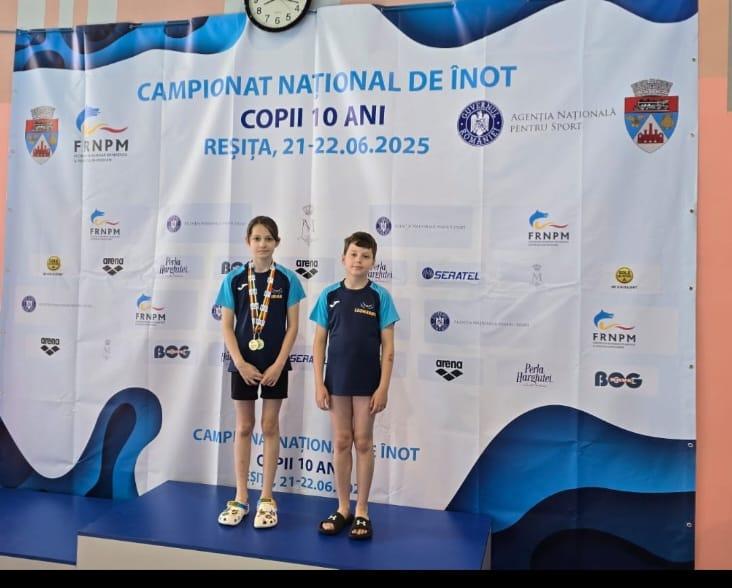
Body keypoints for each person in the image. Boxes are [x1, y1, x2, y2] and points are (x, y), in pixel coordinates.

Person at [216, 216, 305, 529]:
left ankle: (267, 498)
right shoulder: (234, 279)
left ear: (277, 242)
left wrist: (279, 364)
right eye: (257, 238)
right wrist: (240, 362)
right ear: (248, 242)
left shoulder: (288, 280)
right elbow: (227, 326)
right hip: (242, 364)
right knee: (243, 426)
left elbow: (293, 327)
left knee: (269, 426)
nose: (262, 244)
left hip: (274, 364)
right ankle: (241, 496)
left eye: (268, 238)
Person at [310, 231, 399, 539]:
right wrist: (319, 383)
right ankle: (343, 507)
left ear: (373, 261)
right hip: (336, 381)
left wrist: (383, 387)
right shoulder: (329, 295)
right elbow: (318, 343)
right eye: (353, 254)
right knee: (341, 441)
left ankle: (362, 510)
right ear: (343, 258)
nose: (358, 260)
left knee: (363, 441)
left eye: (365, 256)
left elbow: (388, 349)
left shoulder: (380, 297)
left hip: (367, 382)